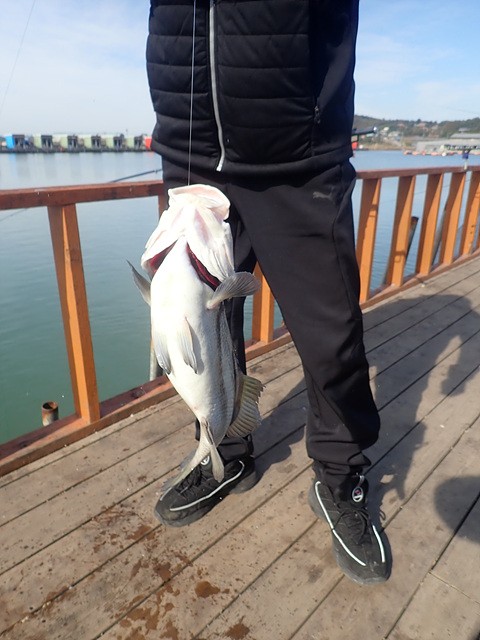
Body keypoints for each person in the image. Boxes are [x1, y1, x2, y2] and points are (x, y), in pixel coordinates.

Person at [146, 0, 390, 585]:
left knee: (331, 337)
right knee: (198, 325)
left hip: (299, 156)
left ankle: (339, 480)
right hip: (192, 150)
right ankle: (225, 452)